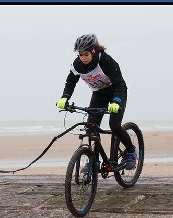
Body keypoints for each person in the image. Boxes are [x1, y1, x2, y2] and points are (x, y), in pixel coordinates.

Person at [56, 33, 137, 170]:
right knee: (91, 127)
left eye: (86, 54)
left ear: (94, 51)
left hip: (117, 92)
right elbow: (70, 83)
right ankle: (94, 160)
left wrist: (116, 101)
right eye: (80, 55)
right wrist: (65, 98)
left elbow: (119, 83)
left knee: (114, 125)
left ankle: (131, 152)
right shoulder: (77, 65)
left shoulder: (105, 61)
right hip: (99, 95)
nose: (83, 58)